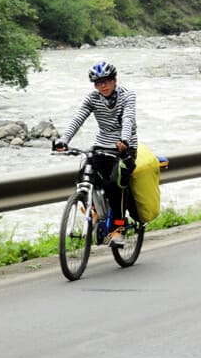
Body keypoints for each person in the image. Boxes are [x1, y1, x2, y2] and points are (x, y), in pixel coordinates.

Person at [53, 61, 138, 246]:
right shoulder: (92, 98)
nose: (103, 86)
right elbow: (79, 118)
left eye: (106, 81)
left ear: (115, 80)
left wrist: (124, 140)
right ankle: (95, 212)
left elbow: (128, 118)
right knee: (84, 176)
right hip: (101, 145)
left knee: (114, 183)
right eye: (98, 83)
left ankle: (118, 228)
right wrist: (64, 140)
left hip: (125, 148)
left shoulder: (127, 95)